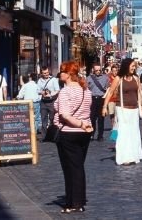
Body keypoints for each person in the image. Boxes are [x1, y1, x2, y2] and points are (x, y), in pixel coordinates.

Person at [53, 61, 94, 214]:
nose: (59, 75)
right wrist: (85, 125)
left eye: (61, 72)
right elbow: (89, 111)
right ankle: (75, 200)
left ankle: (75, 203)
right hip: (84, 133)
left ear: (69, 74)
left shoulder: (65, 92)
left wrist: (80, 124)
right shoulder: (85, 90)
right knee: (77, 166)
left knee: (71, 168)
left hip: (69, 132)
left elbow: (65, 115)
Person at [102, 58, 142, 165]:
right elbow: (110, 92)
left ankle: (134, 155)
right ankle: (124, 157)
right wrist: (104, 106)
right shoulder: (119, 78)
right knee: (124, 132)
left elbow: (139, 93)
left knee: (134, 132)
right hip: (122, 109)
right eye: (132, 66)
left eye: (134, 66)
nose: (134, 68)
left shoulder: (136, 78)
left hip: (134, 109)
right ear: (126, 66)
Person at [86, 64, 109, 141]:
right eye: (96, 70)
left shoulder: (105, 78)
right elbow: (86, 89)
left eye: (99, 70)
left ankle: (100, 135)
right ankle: (91, 134)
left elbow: (108, 89)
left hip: (101, 99)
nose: (98, 72)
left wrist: (105, 97)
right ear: (93, 70)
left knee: (101, 118)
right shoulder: (89, 78)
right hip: (92, 99)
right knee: (92, 118)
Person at [37, 66, 60, 135]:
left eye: (47, 72)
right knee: (43, 119)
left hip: (52, 101)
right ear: (41, 74)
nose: (46, 74)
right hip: (43, 102)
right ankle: (44, 136)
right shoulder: (39, 81)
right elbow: (38, 91)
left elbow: (57, 90)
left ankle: (53, 135)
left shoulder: (53, 80)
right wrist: (42, 92)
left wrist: (50, 94)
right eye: (44, 73)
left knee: (52, 118)